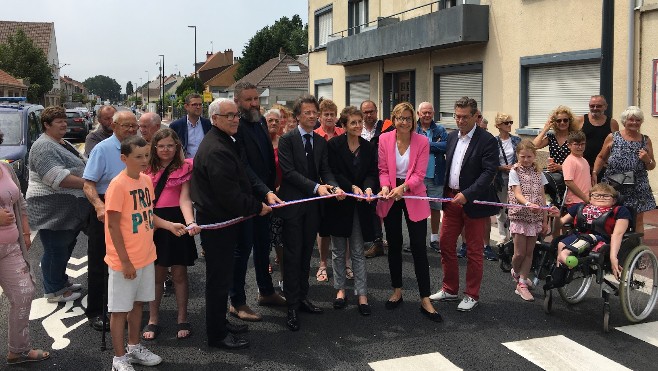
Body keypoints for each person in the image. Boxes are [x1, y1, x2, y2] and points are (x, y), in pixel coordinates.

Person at [190, 98, 272, 349]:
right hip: (219, 224)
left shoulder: (225, 141)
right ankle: (216, 335)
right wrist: (257, 207)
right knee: (217, 282)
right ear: (214, 119)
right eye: (229, 116)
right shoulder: (216, 149)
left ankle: (221, 323)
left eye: (236, 115)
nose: (236, 119)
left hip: (227, 221)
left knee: (222, 280)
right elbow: (229, 195)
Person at [104, 136, 187, 371]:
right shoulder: (117, 185)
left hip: (147, 256)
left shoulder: (146, 181)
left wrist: (169, 225)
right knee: (119, 310)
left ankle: (134, 346)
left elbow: (148, 215)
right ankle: (119, 359)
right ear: (124, 158)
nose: (144, 160)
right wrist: (125, 261)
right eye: (138, 157)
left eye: (146, 155)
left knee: (138, 304)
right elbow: (111, 226)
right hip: (125, 261)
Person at [276, 95, 345, 331]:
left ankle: (303, 298)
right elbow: (289, 172)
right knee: (293, 255)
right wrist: (317, 187)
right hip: (293, 206)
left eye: (314, 112)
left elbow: (325, 169)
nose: (312, 116)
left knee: (307, 254)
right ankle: (292, 305)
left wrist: (334, 186)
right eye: (307, 113)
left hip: (313, 208)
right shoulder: (287, 140)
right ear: (297, 116)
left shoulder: (321, 141)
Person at [430, 97, 499, 312]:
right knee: (446, 243)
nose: (460, 121)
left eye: (464, 117)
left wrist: (467, 194)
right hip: (451, 200)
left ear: (476, 116)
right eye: (457, 116)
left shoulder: (487, 140)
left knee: (474, 250)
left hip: (473, 203)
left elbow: (489, 172)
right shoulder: (451, 138)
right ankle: (450, 289)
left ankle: (472, 294)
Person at [376, 102, 442, 322]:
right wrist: (386, 186)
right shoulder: (384, 139)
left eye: (407, 118)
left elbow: (419, 174)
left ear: (413, 120)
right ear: (393, 120)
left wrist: (402, 188)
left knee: (418, 248)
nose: (404, 122)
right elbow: (383, 170)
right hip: (390, 194)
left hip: (412, 193)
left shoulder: (422, 141)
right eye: (400, 118)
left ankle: (425, 298)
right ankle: (397, 290)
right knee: (394, 244)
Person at [230, 82, 285, 323]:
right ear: (237, 101)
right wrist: (264, 191)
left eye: (256, 98)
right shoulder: (236, 127)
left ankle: (266, 291)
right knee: (242, 251)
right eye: (248, 100)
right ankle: (237, 302)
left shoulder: (260, 121)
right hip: (247, 199)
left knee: (263, 247)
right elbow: (244, 166)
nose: (254, 103)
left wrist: (270, 190)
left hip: (266, 197)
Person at [141, 129, 200, 341]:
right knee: (156, 275)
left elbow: (185, 199)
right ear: (154, 148)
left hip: (177, 220)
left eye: (170, 145)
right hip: (154, 221)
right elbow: (143, 201)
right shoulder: (145, 169)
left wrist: (191, 221)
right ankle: (153, 319)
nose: (166, 149)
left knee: (179, 274)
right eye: (161, 146)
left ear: (177, 147)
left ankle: (182, 317)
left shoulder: (185, 168)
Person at [26, 106, 89, 303]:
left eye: (64, 120)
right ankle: (54, 290)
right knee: (55, 249)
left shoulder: (60, 142)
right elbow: (55, 177)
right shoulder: (44, 146)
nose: (64, 124)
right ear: (46, 124)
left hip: (64, 207)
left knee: (65, 246)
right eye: (59, 121)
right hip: (50, 208)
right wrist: (89, 184)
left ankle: (61, 282)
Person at [82, 110, 138, 331]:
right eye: (127, 126)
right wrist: (99, 206)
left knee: (129, 258)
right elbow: (88, 183)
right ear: (114, 127)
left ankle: (124, 307)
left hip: (132, 205)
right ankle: (97, 310)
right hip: (107, 206)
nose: (132, 130)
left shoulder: (138, 147)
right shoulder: (102, 149)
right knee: (100, 261)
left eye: (134, 125)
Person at [1, 131, 50, 365]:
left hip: (10, 247)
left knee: (24, 294)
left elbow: (19, 199)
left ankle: (17, 350)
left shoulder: (5, 168)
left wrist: (26, 230)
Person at [326, 107, 377, 316]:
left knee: (357, 250)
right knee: (338, 250)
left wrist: (367, 187)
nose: (358, 125)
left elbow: (372, 172)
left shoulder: (368, 146)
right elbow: (333, 171)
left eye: (359, 122)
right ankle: (340, 290)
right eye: (353, 122)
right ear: (344, 125)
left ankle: (362, 294)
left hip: (360, 205)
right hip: (340, 203)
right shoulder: (334, 145)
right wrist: (351, 187)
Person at [593, 106, 656, 233]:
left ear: (641, 122)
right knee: (612, 215)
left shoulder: (645, 140)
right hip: (615, 183)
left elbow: (652, 165)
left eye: (637, 120)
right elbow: (601, 157)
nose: (634, 123)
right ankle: (611, 244)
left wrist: (647, 159)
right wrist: (594, 173)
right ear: (624, 121)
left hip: (637, 185)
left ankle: (638, 247)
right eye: (631, 120)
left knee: (638, 219)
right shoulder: (613, 137)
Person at [554, 183, 631, 280]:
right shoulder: (580, 207)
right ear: (590, 198)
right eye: (596, 195)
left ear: (614, 200)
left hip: (601, 239)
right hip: (579, 236)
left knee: (585, 240)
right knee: (560, 243)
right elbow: (558, 224)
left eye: (606, 195)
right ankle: (559, 276)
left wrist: (613, 257)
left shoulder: (620, 211)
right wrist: (557, 217)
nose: (601, 197)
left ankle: (564, 255)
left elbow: (617, 234)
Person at [507, 140, 550, 302]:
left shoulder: (539, 173)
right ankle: (516, 272)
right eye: (522, 156)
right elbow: (517, 193)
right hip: (520, 216)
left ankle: (522, 283)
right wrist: (527, 203)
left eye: (529, 156)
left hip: (535, 218)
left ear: (535, 156)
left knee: (529, 252)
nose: (526, 159)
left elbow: (543, 197)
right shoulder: (514, 171)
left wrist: (545, 220)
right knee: (519, 253)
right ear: (517, 155)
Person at [314, 99, 345, 282]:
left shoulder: (343, 133)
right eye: (326, 114)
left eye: (332, 114)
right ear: (320, 116)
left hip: (342, 188)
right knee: (323, 230)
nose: (329, 117)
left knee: (344, 228)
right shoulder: (315, 135)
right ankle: (323, 264)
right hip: (323, 188)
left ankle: (346, 264)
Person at [415, 102, 447, 254]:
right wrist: (435, 145)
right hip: (417, 177)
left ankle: (434, 239)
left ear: (433, 113)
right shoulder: (413, 129)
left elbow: (446, 146)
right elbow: (410, 147)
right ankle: (418, 239)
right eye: (424, 112)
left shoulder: (440, 129)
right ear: (418, 113)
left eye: (430, 112)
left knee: (435, 208)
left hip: (436, 176)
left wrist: (425, 145)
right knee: (418, 208)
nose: (427, 115)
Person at [360, 100, 391, 258]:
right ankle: (375, 240)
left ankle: (382, 240)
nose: (369, 115)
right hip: (365, 173)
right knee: (370, 207)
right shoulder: (358, 128)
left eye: (371, 111)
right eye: (365, 112)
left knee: (384, 208)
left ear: (376, 111)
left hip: (384, 172)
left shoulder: (386, 128)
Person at [575, 95, 620, 178]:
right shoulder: (580, 121)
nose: (595, 108)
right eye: (592, 106)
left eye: (598, 106)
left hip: (603, 168)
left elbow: (616, 145)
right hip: (583, 167)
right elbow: (571, 142)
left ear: (605, 107)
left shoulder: (612, 123)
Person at [493, 113, 521, 241]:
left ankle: (515, 235)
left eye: (511, 122)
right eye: (506, 123)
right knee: (501, 208)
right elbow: (490, 162)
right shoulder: (493, 142)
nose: (510, 125)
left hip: (515, 177)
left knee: (515, 207)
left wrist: (516, 166)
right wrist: (502, 167)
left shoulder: (516, 140)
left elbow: (523, 156)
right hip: (500, 178)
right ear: (498, 125)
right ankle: (503, 237)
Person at [265, 109, 285, 279]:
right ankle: (265, 261)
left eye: (276, 121)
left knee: (279, 232)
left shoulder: (284, 142)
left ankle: (281, 260)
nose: (273, 123)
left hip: (282, 194)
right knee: (264, 233)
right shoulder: (261, 143)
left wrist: (280, 188)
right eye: (270, 120)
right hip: (263, 195)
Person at [532, 105, 579, 172]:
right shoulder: (551, 137)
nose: (562, 123)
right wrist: (545, 129)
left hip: (570, 173)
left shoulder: (575, 137)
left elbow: (579, 160)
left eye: (565, 120)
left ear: (570, 121)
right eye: (559, 121)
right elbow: (534, 146)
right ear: (555, 123)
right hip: (554, 174)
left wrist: (561, 167)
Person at [169, 93, 211, 158]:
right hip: (185, 164)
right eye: (194, 104)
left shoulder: (208, 124)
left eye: (200, 104)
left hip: (205, 164)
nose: (198, 107)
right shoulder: (176, 126)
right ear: (186, 106)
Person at [562, 131, 592, 209]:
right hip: (575, 202)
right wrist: (585, 198)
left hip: (586, 200)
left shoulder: (584, 160)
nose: (580, 147)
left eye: (582, 144)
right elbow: (568, 182)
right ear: (569, 145)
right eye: (576, 144)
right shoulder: (570, 161)